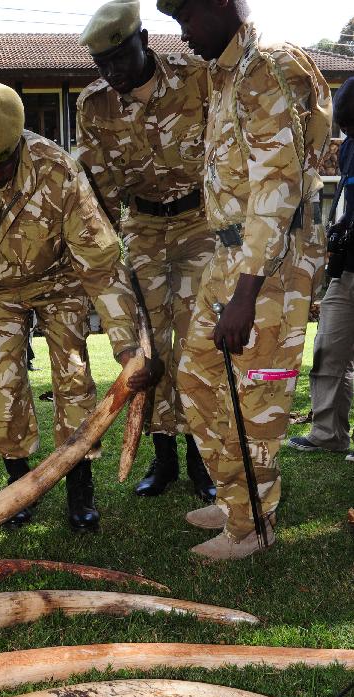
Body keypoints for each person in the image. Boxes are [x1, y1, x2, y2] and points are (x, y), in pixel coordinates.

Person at [0, 83, 153, 531]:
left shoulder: (57, 170)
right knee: (6, 381)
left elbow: (99, 264)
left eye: (3, 164)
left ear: (18, 141)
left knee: (73, 376)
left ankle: (80, 491)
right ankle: (17, 491)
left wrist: (126, 347)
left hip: (59, 282)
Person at [158, 0, 332, 559]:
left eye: (187, 18)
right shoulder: (226, 74)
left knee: (257, 396)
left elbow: (277, 191)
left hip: (271, 268)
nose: (183, 34)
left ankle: (253, 524)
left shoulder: (267, 68)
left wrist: (247, 294)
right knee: (197, 377)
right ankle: (237, 498)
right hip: (230, 258)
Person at [76, 0, 215, 504]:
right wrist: (113, 249)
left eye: (119, 59)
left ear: (145, 41)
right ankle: (164, 458)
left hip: (199, 223)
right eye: (102, 64)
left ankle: (204, 457)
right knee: (150, 347)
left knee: (197, 342)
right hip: (142, 231)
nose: (111, 72)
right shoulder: (94, 105)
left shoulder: (196, 77)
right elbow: (98, 189)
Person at [287, 77, 354, 463]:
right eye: (344, 129)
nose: (346, 135)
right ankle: (329, 433)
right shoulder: (348, 151)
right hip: (345, 268)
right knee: (329, 347)